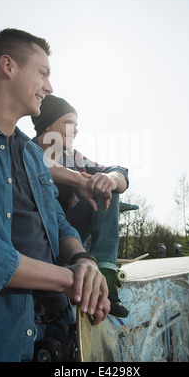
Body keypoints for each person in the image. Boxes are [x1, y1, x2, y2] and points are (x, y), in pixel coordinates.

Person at [0, 28, 110, 362]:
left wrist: (83, 261)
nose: (49, 87)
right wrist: (67, 278)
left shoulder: (35, 155)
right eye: (43, 73)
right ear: (8, 66)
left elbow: (58, 221)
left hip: (59, 332)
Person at [32, 95, 129, 318]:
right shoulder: (25, 150)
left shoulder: (74, 158)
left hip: (71, 240)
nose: (75, 130)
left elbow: (120, 172)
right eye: (68, 123)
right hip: (38, 240)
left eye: (77, 125)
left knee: (105, 185)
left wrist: (112, 179)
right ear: (46, 124)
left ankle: (105, 276)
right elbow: (37, 164)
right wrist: (76, 178)